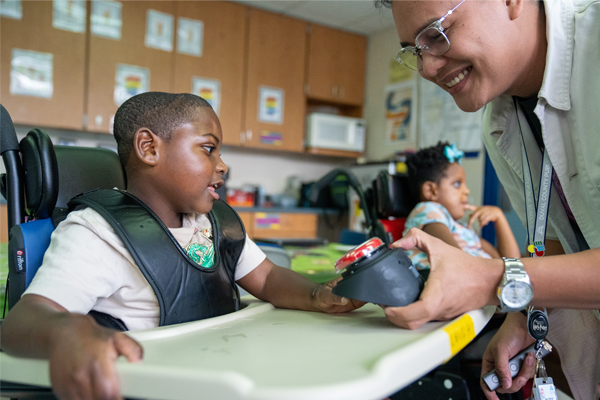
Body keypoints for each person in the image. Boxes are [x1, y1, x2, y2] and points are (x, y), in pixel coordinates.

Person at [0, 92, 363, 400]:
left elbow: (266, 279)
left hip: (221, 375)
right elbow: (21, 321)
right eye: (208, 149)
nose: (222, 166)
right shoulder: (98, 232)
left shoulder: (214, 222)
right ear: (148, 148)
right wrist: (68, 331)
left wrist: (318, 296)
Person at [374, 0, 600, 399]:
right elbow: (553, 241)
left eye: (436, 34)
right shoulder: (500, 123)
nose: (426, 68)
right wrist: (525, 312)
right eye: (415, 49)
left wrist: (492, 279)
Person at [402, 141, 520, 271]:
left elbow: (513, 263)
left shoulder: (462, 229)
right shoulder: (428, 209)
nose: (466, 191)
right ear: (431, 191)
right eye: (457, 184)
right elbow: (456, 258)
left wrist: (499, 217)